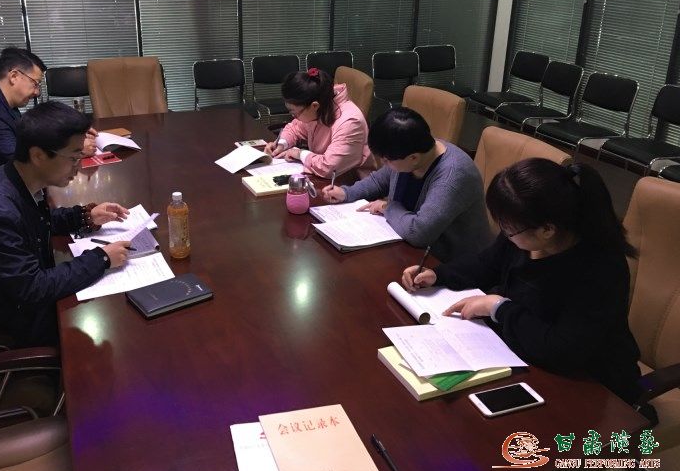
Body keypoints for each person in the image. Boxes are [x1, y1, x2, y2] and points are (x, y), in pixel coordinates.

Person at [401, 158, 644, 408]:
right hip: (523, 352)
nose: (505, 234)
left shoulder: (600, 269)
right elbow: (487, 264)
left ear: (547, 230)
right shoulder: (526, 233)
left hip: (589, 383)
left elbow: (563, 350)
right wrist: (439, 275)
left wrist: (498, 308)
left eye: (509, 229)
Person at [0, 101, 131, 350]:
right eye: (74, 157)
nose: (78, 166)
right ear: (38, 155)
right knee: (114, 330)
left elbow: (36, 222)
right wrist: (102, 259)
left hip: (14, 307)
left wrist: (86, 216)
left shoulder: (16, 177)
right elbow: (34, 288)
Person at [321, 107, 490, 261]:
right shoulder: (412, 149)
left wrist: (388, 207)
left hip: (450, 264)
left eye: (387, 160)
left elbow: (419, 233)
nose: (384, 164)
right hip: (407, 248)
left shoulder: (452, 177)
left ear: (414, 158)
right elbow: (379, 181)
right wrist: (347, 193)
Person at [0, 47, 97, 188]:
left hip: (0, 180)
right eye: (35, 83)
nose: (37, 92)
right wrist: (74, 149)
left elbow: (27, 136)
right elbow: (22, 159)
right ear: (14, 76)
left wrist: (70, 135)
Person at [264, 68, 370, 178]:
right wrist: (282, 144)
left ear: (314, 106)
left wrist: (300, 154)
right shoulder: (321, 102)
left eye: (295, 113)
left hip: (350, 181)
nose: (294, 117)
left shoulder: (350, 122)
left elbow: (329, 167)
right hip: (323, 176)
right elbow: (295, 128)